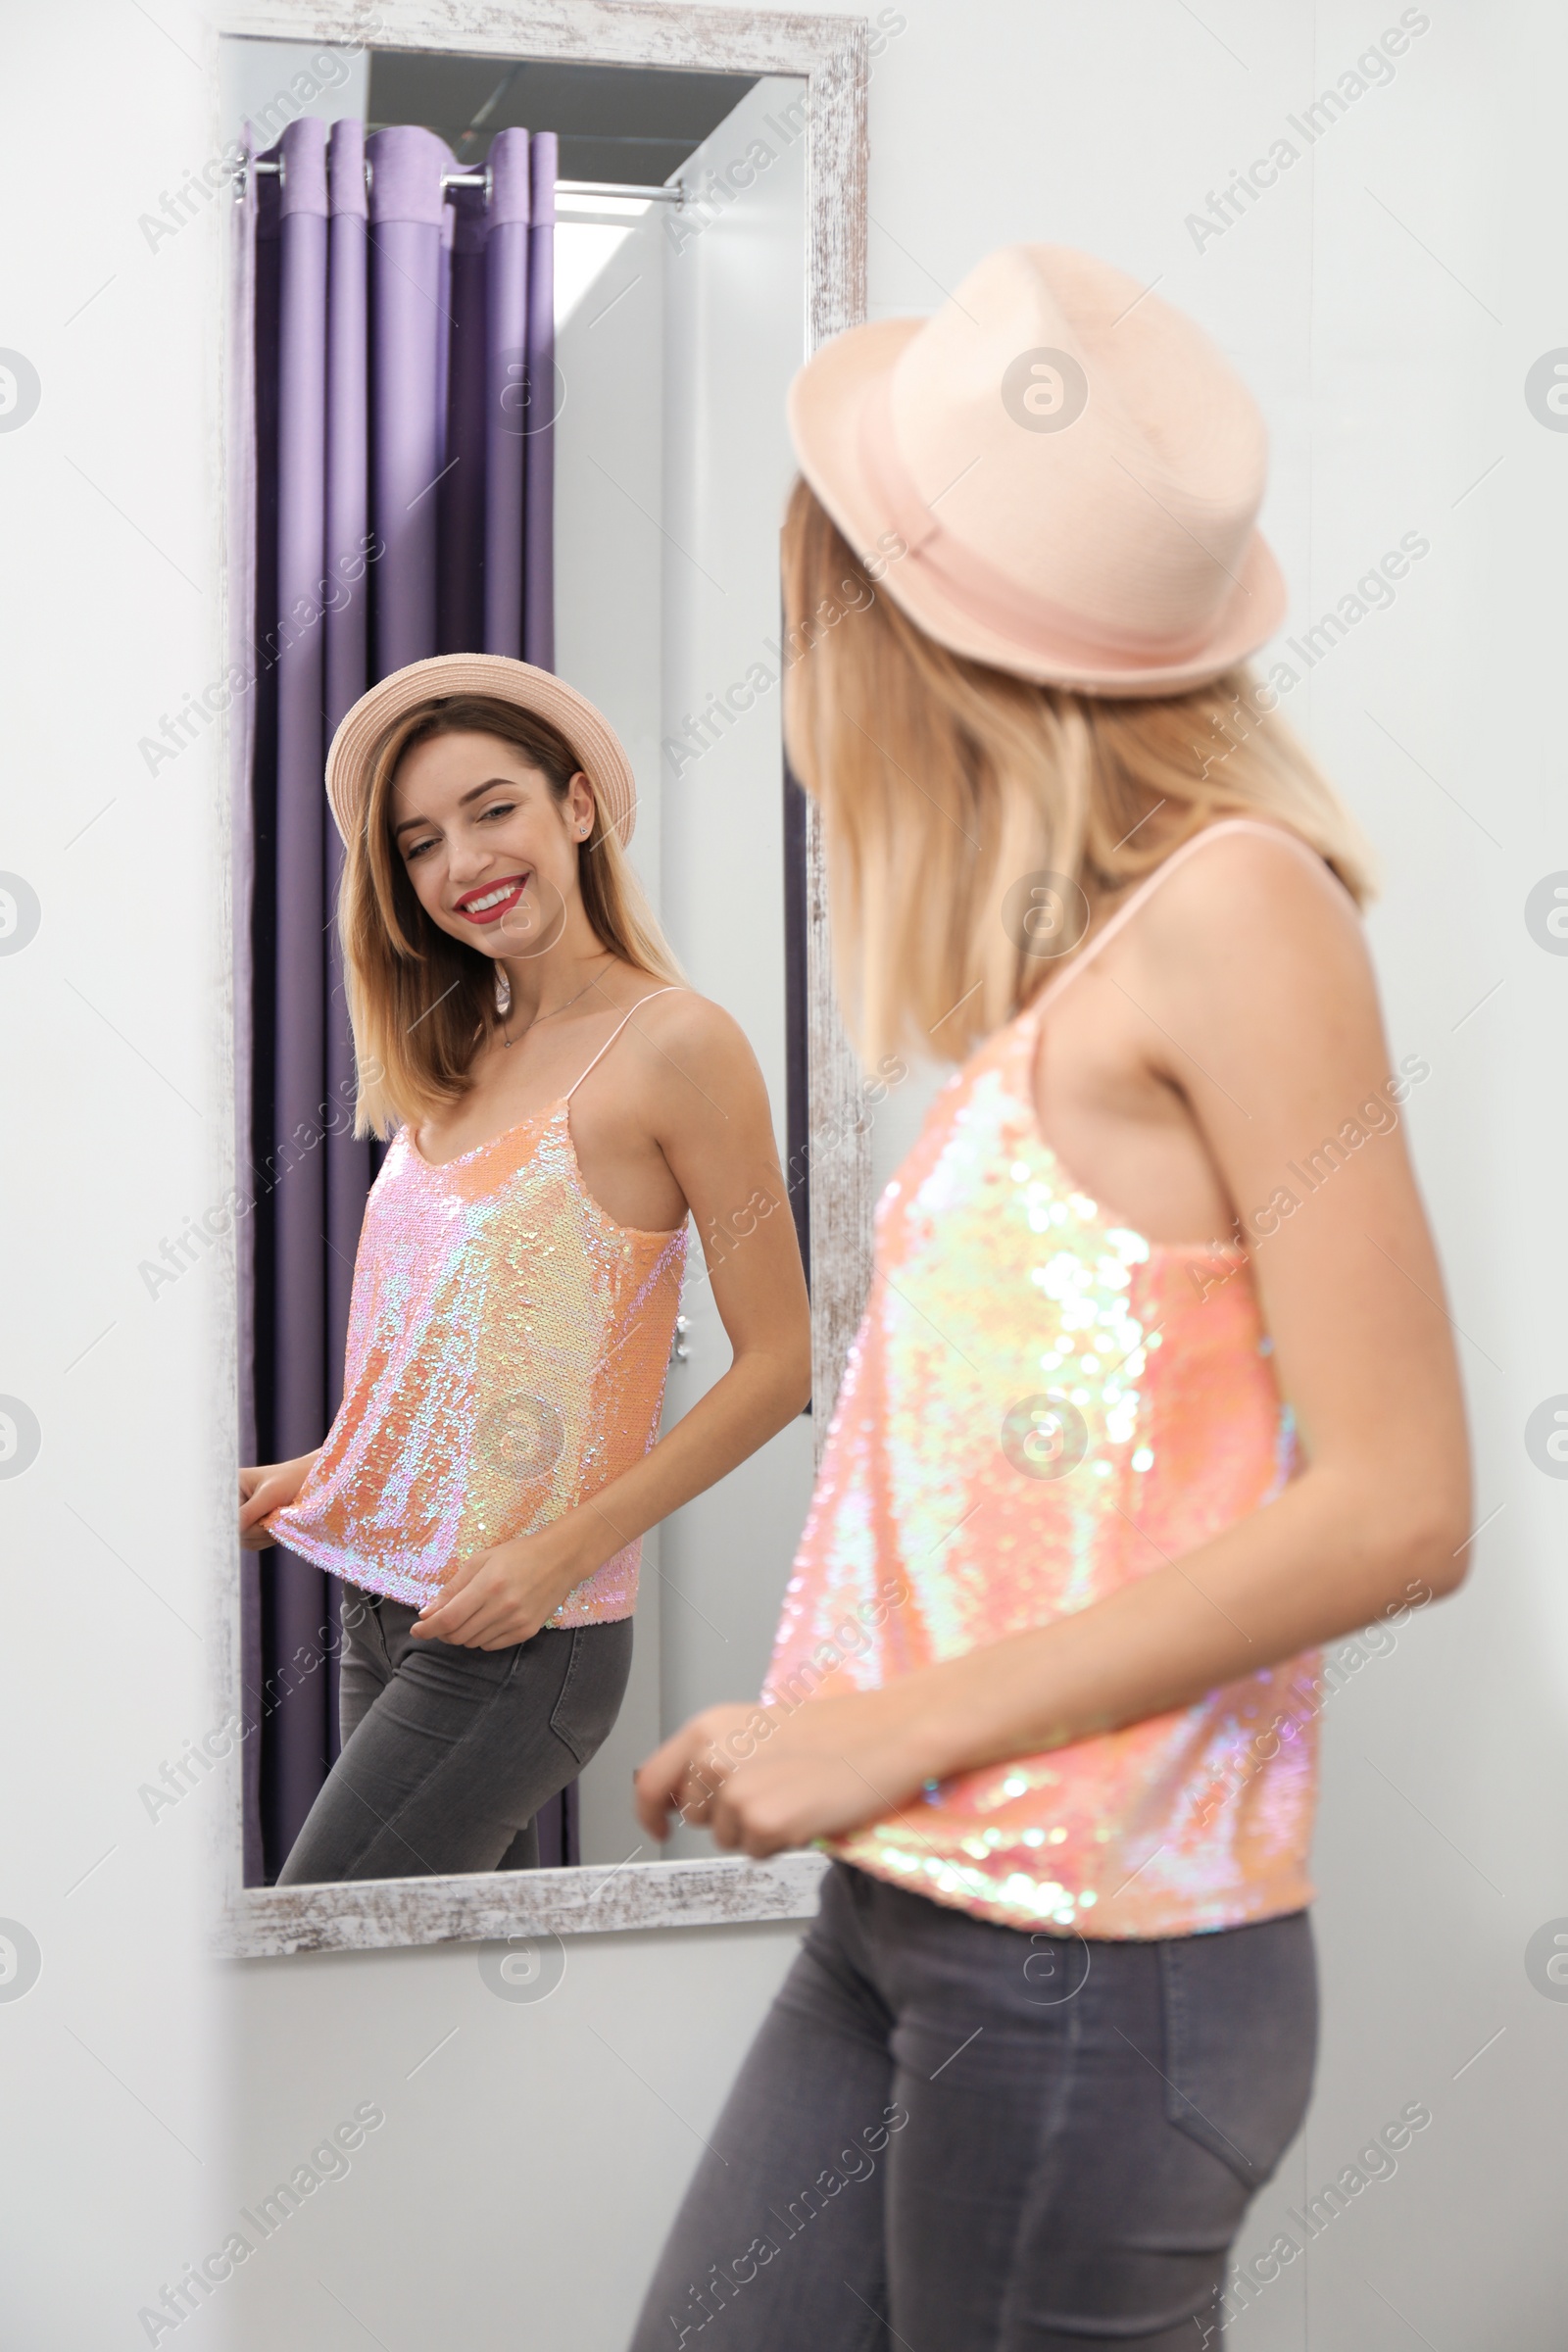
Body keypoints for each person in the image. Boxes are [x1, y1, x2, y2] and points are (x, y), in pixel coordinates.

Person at [628, 246, 1470, 2349]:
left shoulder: (1236, 912)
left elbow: (1399, 1504)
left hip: (1089, 1973)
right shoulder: (1069, 973)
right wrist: (826, 1734)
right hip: (910, 1909)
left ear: (888, 627)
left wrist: (875, 1738)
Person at [238, 655, 810, 1885]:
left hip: (524, 1634)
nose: (463, 864)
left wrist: (561, 1555)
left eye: (493, 809)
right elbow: (461, 1353)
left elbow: (780, 1366)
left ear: (578, 807)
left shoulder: (678, 1044)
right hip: (379, 1606)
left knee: (320, 1956)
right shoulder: (464, 1052)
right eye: (420, 842)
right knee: (401, 2008)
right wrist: (316, 1472)